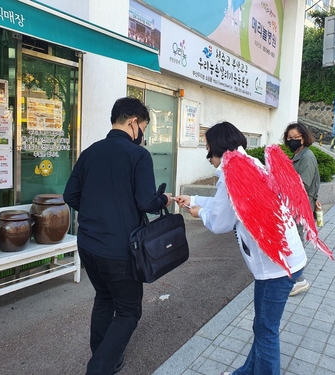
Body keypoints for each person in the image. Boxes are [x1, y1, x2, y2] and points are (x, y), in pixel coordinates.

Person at [175, 121, 306, 375]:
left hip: (276, 267)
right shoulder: (248, 164)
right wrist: (194, 199)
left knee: (267, 332)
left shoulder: (232, 173)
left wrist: (198, 212)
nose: (207, 156)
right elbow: (227, 205)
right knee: (262, 326)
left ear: (218, 147)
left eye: (208, 148)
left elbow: (221, 221)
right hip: (282, 259)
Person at [63, 97, 172, 375]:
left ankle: (105, 356)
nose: (143, 135)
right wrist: (164, 200)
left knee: (104, 298)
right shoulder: (138, 156)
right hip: (121, 251)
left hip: (88, 244)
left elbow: (70, 195)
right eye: (144, 127)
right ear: (134, 122)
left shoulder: (90, 152)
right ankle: (99, 367)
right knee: (128, 312)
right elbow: (147, 202)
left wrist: (96, 211)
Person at [283, 122, 320, 296]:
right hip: (295, 205)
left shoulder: (306, 156)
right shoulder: (297, 154)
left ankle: (300, 280)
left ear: (304, 138)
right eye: (290, 138)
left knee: (295, 241)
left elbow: (303, 185)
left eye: (296, 138)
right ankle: (294, 277)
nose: (292, 141)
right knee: (293, 240)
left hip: (300, 206)